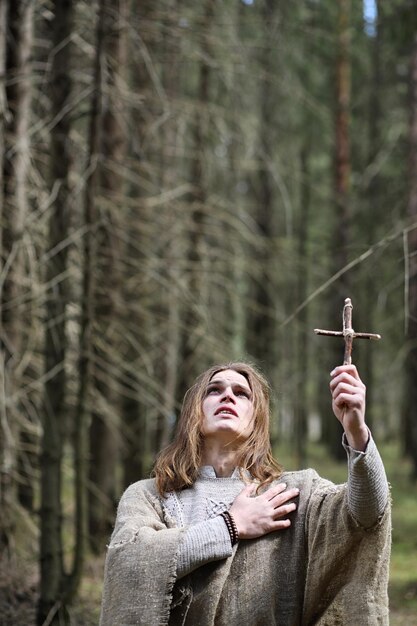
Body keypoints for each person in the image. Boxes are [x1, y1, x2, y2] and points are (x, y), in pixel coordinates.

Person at [100, 361, 391, 626]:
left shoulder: (291, 495)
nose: (227, 396)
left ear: (257, 419)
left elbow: (366, 516)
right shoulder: (150, 495)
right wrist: (230, 526)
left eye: (242, 393)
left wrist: (357, 432)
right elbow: (129, 566)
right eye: (214, 390)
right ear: (193, 412)